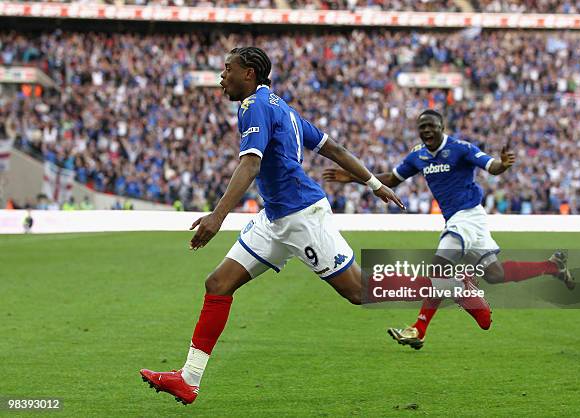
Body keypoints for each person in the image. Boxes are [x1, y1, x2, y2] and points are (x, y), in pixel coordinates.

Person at [139, 47, 450, 405]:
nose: (221, 77)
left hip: (302, 217)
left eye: (228, 70)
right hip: (274, 218)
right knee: (218, 284)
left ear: (250, 73)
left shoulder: (253, 107)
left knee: (358, 292)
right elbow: (335, 149)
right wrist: (375, 184)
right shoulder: (284, 108)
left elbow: (250, 165)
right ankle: (188, 379)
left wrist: (217, 216)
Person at [323, 109, 574, 350]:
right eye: (422, 127)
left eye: (431, 126)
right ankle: (552, 266)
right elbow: (391, 179)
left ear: (442, 127)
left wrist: (503, 164)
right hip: (465, 220)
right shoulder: (417, 156)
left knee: (438, 269)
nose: (426, 131)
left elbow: (492, 166)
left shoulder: (460, 149)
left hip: (466, 217)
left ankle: (419, 328)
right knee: (494, 274)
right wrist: (355, 177)